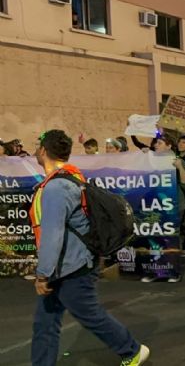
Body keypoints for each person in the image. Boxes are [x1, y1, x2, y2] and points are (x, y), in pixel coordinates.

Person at [29, 130, 150, 365]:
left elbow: (52, 234)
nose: (35, 151)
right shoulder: (72, 177)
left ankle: (132, 350)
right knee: (45, 322)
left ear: (43, 151)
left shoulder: (55, 188)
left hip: (72, 268)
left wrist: (42, 274)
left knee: (90, 315)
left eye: (37, 147)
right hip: (67, 265)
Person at [142, 134, 185, 283]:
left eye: (160, 143)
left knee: (170, 239)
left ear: (169, 146)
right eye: (155, 143)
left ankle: (172, 271)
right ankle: (155, 270)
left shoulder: (177, 161)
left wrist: (179, 168)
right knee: (154, 238)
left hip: (174, 205)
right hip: (155, 205)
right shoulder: (150, 161)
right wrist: (142, 157)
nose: (156, 145)